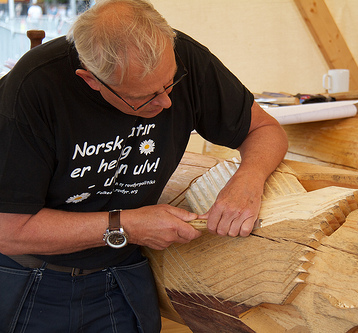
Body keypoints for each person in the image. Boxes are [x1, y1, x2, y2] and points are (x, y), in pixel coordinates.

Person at [0, 0, 288, 332]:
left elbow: (265, 129)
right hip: (31, 277)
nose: (165, 102)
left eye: (170, 84)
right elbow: (9, 231)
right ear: (91, 80)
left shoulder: (186, 59)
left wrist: (248, 178)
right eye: (144, 97)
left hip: (121, 272)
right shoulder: (32, 89)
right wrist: (128, 225)